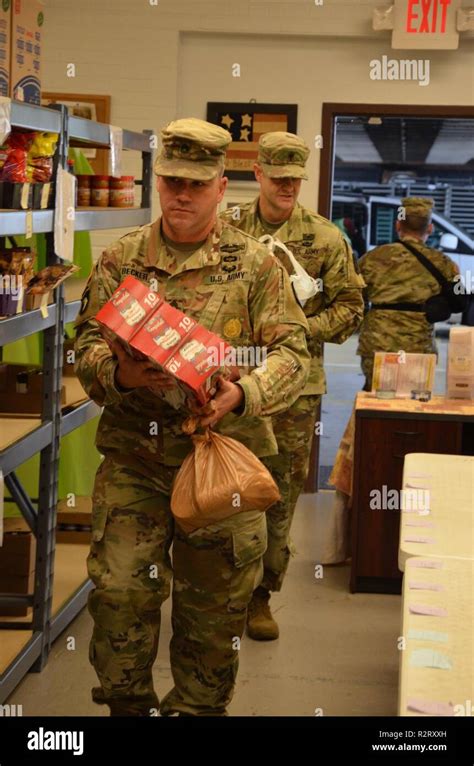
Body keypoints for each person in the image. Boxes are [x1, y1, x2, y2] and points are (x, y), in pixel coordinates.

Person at [73, 118, 310, 717]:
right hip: (137, 460)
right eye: (172, 180)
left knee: (214, 610)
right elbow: (85, 345)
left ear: (221, 184)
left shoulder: (255, 265)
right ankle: (128, 706)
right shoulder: (122, 259)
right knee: (122, 593)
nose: (181, 194)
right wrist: (121, 374)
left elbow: (293, 355)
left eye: (196, 184)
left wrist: (245, 392)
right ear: (159, 179)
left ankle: (196, 712)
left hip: (220, 462)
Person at [220, 132, 365, 641]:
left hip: (295, 390)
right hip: (230, 378)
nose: (286, 188)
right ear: (257, 174)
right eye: (277, 178)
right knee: (225, 488)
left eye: (294, 180)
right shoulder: (226, 227)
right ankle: (219, 592)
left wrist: (301, 331)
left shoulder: (324, 238)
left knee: (278, 495)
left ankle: (261, 596)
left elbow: (351, 308)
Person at [357, 197, 460, 390]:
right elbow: (459, 301)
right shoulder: (444, 263)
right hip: (419, 347)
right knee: (414, 406)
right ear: (429, 229)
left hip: (377, 345)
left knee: (376, 403)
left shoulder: (371, 259)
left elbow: (355, 302)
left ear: (398, 224)